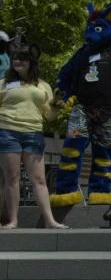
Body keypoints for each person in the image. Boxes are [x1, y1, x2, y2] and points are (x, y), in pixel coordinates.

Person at [0, 43, 67, 229]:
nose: (17, 61)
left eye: (22, 58)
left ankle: (50, 220)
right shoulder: (3, 84)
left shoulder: (43, 85)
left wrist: (55, 107)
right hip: (7, 131)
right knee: (12, 178)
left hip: (33, 133)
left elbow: (49, 117)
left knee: (39, 179)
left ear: (31, 62)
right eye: (14, 58)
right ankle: (13, 221)